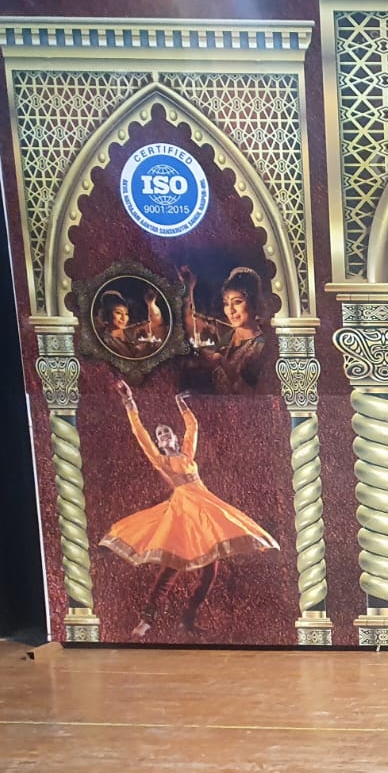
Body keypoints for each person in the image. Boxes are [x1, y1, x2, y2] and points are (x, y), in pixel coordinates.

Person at [99, 378, 279, 636]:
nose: (163, 436)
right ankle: (147, 619)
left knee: (210, 572)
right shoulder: (161, 461)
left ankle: (188, 619)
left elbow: (192, 427)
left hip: (205, 508)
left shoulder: (186, 455)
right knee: (172, 567)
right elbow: (140, 433)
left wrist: (181, 404)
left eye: (166, 432)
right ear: (159, 443)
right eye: (160, 435)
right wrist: (129, 401)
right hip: (183, 512)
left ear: (174, 437)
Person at [181, 264, 270, 393]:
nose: (230, 310)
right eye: (226, 303)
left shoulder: (262, 346)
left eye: (237, 302)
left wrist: (222, 362)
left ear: (253, 303)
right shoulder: (226, 334)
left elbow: (252, 394)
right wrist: (188, 288)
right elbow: (193, 320)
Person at [97, 288, 166, 358]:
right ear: (107, 314)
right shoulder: (105, 342)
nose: (124, 318)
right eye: (118, 313)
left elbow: (155, 323)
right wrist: (143, 351)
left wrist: (151, 304)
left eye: (126, 314)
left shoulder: (130, 331)